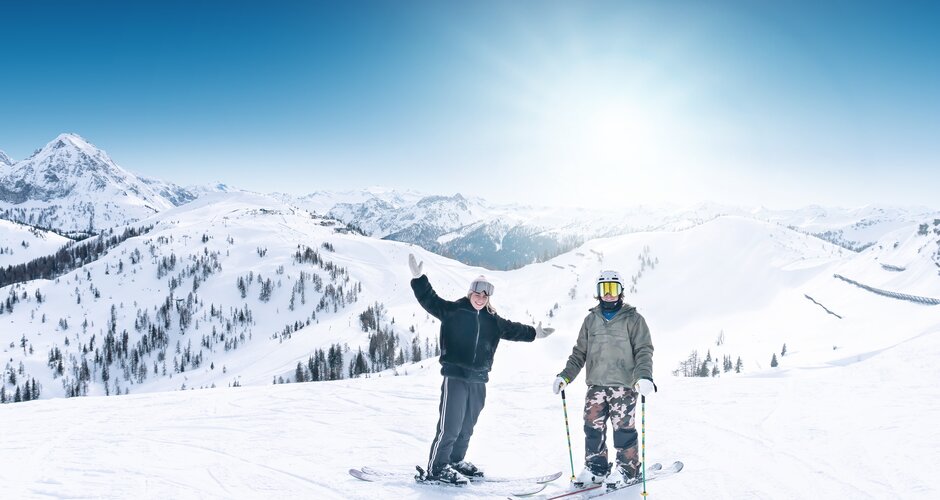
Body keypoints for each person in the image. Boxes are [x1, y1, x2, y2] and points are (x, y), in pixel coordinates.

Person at [408, 253, 555, 485]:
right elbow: (430, 300)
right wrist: (419, 279)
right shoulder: (454, 311)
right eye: (477, 293)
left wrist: (534, 333)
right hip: (455, 376)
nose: (480, 298)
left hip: (479, 379)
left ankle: (455, 461)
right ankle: (438, 467)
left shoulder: (492, 320)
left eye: (485, 295)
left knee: (467, 426)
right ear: (470, 293)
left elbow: (514, 330)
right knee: (450, 426)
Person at [552, 269, 655, 488]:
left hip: (623, 386)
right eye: (604, 289)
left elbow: (644, 350)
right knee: (592, 428)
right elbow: (579, 353)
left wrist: (644, 376)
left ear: (621, 291)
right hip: (596, 385)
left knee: (623, 430)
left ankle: (628, 470)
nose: (608, 294)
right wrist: (565, 376)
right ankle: (596, 468)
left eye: (613, 289)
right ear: (598, 292)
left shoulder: (634, 319)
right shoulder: (591, 320)